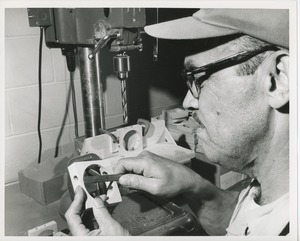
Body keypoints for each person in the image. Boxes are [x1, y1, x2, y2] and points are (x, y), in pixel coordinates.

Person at [65, 8, 290, 236]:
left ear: (278, 79)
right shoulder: (270, 188)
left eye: (200, 79)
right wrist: (194, 185)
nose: (187, 102)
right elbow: (244, 222)